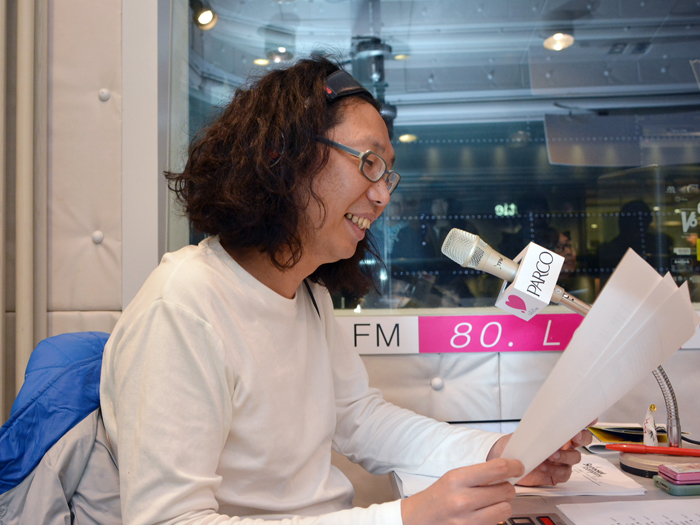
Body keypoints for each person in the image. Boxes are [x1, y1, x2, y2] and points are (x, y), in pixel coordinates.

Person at [100, 56, 592, 525]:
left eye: (387, 173)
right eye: (368, 162)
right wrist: (404, 517)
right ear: (282, 156)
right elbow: (169, 518)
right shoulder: (183, 304)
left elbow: (359, 419)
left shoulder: (308, 297)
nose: (382, 195)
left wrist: (497, 454)